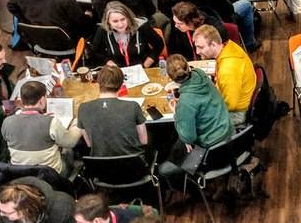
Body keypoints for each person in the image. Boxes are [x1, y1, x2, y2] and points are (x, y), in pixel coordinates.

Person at [157, 54, 234, 184]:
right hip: (227, 129)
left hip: (211, 146)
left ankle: (189, 188)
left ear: (171, 78)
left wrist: (176, 113)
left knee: (163, 170)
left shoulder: (186, 102)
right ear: (188, 67)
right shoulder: (201, 74)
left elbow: (189, 138)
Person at [0, 80, 83, 177]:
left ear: (21, 101)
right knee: (68, 151)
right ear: (42, 100)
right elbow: (70, 142)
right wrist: (76, 122)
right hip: (50, 175)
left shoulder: (7, 122)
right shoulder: (51, 122)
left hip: (20, 174)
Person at [77, 65, 149, 157]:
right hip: (132, 163)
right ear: (121, 84)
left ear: (98, 83)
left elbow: (89, 144)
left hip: (101, 163)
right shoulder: (133, 106)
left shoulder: (83, 108)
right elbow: (143, 141)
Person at [193, 24, 256, 125]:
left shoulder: (228, 69)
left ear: (213, 44)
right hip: (231, 99)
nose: (197, 52)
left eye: (201, 47)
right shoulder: (229, 45)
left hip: (236, 113)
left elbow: (230, 105)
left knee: (195, 119)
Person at [84, 1, 164, 68]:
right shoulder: (102, 31)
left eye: (123, 19)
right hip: (118, 71)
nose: (120, 24)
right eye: (115, 21)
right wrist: (109, 62)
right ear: (108, 21)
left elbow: (159, 44)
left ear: (128, 17)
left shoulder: (142, 27)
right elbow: (96, 52)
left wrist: (146, 65)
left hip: (143, 67)